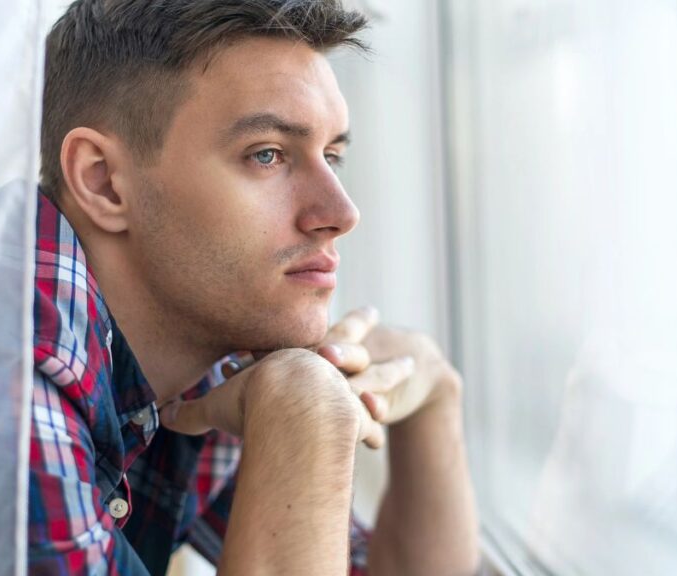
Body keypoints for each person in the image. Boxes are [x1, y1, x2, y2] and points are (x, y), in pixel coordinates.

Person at [29, 1, 480, 574]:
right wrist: (306, 410)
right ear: (104, 181)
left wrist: (433, 390)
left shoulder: (207, 360)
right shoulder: (11, 359)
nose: (341, 213)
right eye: (267, 155)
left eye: (332, 156)